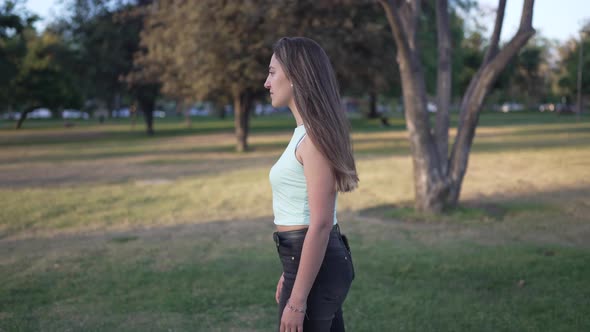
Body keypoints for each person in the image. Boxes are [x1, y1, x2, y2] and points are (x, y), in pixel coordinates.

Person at [264, 37, 359, 332]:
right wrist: (290, 271)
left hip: (318, 264)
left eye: (272, 72)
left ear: (294, 77)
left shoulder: (314, 140)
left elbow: (319, 224)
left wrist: (297, 300)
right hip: (307, 261)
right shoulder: (305, 135)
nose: (266, 83)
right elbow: (304, 215)